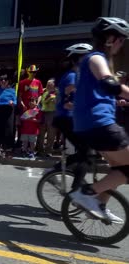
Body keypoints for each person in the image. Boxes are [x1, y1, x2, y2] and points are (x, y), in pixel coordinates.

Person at [69, 17, 129, 222]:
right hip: (98, 124)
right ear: (110, 38)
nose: (122, 44)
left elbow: (102, 93)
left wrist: (118, 102)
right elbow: (109, 84)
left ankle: (100, 204)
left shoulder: (99, 61)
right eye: (122, 39)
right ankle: (85, 193)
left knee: (121, 169)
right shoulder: (95, 58)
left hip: (94, 124)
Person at [48, 43, 93, 179]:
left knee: (86, 154)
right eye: (86, 58)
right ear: (77, 60)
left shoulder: (74, 76)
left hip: (70, 119)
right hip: (66, 118)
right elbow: (68, 104)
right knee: (86, 154)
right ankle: (77, 190)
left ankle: (57, 173)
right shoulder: (72, 77)